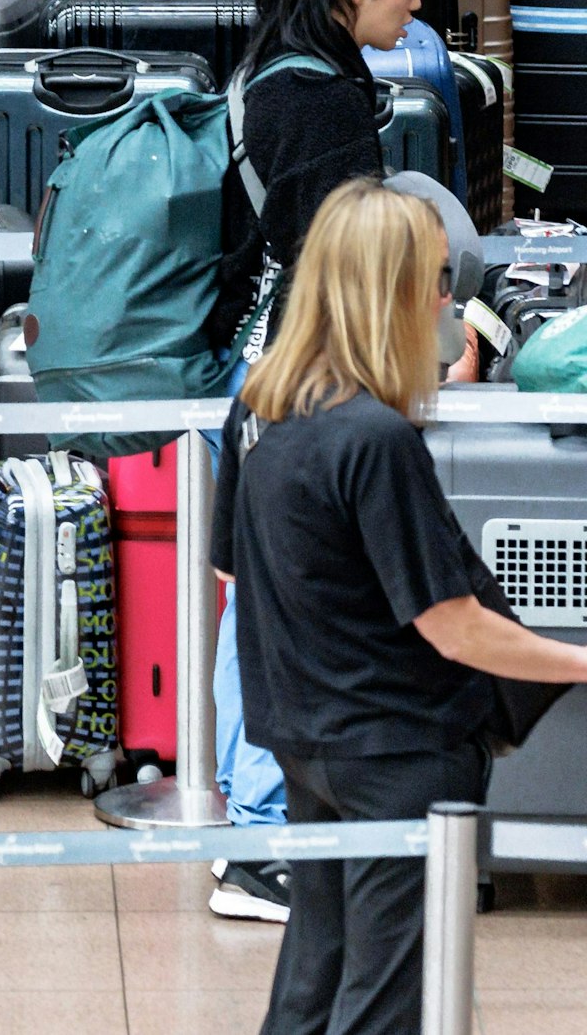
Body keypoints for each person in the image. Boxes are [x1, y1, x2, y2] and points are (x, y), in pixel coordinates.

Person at [213, 178, 587, 1035]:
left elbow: (231, 570)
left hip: (304, 735)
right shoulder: (375, 440)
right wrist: (577, 661)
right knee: (384, 992)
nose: (449, 302)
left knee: (315, 967)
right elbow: (449, 623)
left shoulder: (260, 406)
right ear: (393, 292)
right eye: (438, 281)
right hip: (394, 746)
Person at [205, 0, 428, 922]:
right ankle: (255, 845)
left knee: (260, 594)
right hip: (287, 372)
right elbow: (327, 260)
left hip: (260, 367)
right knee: (270, 603)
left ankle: (255, 827)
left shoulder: (280, 70)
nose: (414, 5)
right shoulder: (317, 98)